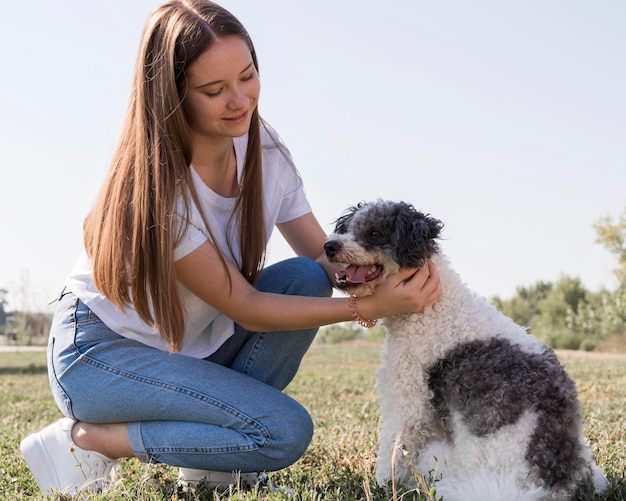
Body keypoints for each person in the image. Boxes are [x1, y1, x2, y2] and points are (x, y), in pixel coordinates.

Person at [20, 0, 441, 496]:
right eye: (214, 90)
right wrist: (365, 307)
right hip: (99, 357)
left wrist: (392, 267)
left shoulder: (263, 149)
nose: (240, 100)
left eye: (247, 76)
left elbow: (323, 259)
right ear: (173, 96)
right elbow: (249, 309)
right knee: (282, 432)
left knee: (305, 277)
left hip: (187, 349)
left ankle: (215, 464)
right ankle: (89, 440)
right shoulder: (161, 191)